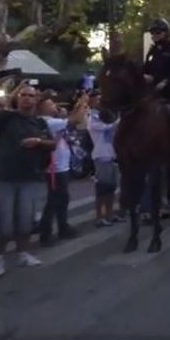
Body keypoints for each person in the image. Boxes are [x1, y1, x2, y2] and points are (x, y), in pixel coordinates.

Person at [0, 82, 56, 278]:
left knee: (25, 220)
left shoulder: (40, 123)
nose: (27, 98)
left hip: (31, 177)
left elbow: (52, 144)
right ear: (18, 98)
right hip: (5, 177)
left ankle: (22, 253)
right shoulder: (7, 118)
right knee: (3, 222)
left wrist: (38, 142)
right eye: (23, 95)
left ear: (36, 99)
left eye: (31, 95)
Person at [38, 93, 89, 246]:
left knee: (62, 199)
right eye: (50, 104)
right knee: (54, 201)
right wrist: (84, 104)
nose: (54, 105)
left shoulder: (54, 121)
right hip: (55, 168)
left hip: (61, 165)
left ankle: (62, 227)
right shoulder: (49, 122)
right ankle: (45, 233)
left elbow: (71, 118)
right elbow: (76, 120)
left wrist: (78, 105)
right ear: (43, 108)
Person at [87, 92, 120, 227]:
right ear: (93, 101)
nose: (102, 101)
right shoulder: (92, 117)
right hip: (101, 156)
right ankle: (99, 217)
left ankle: (110, 214)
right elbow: (107, 128)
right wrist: (121, 119)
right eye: (99, 99)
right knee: (102, 188)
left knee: (111, 187)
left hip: (112, 155)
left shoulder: (107, 116)